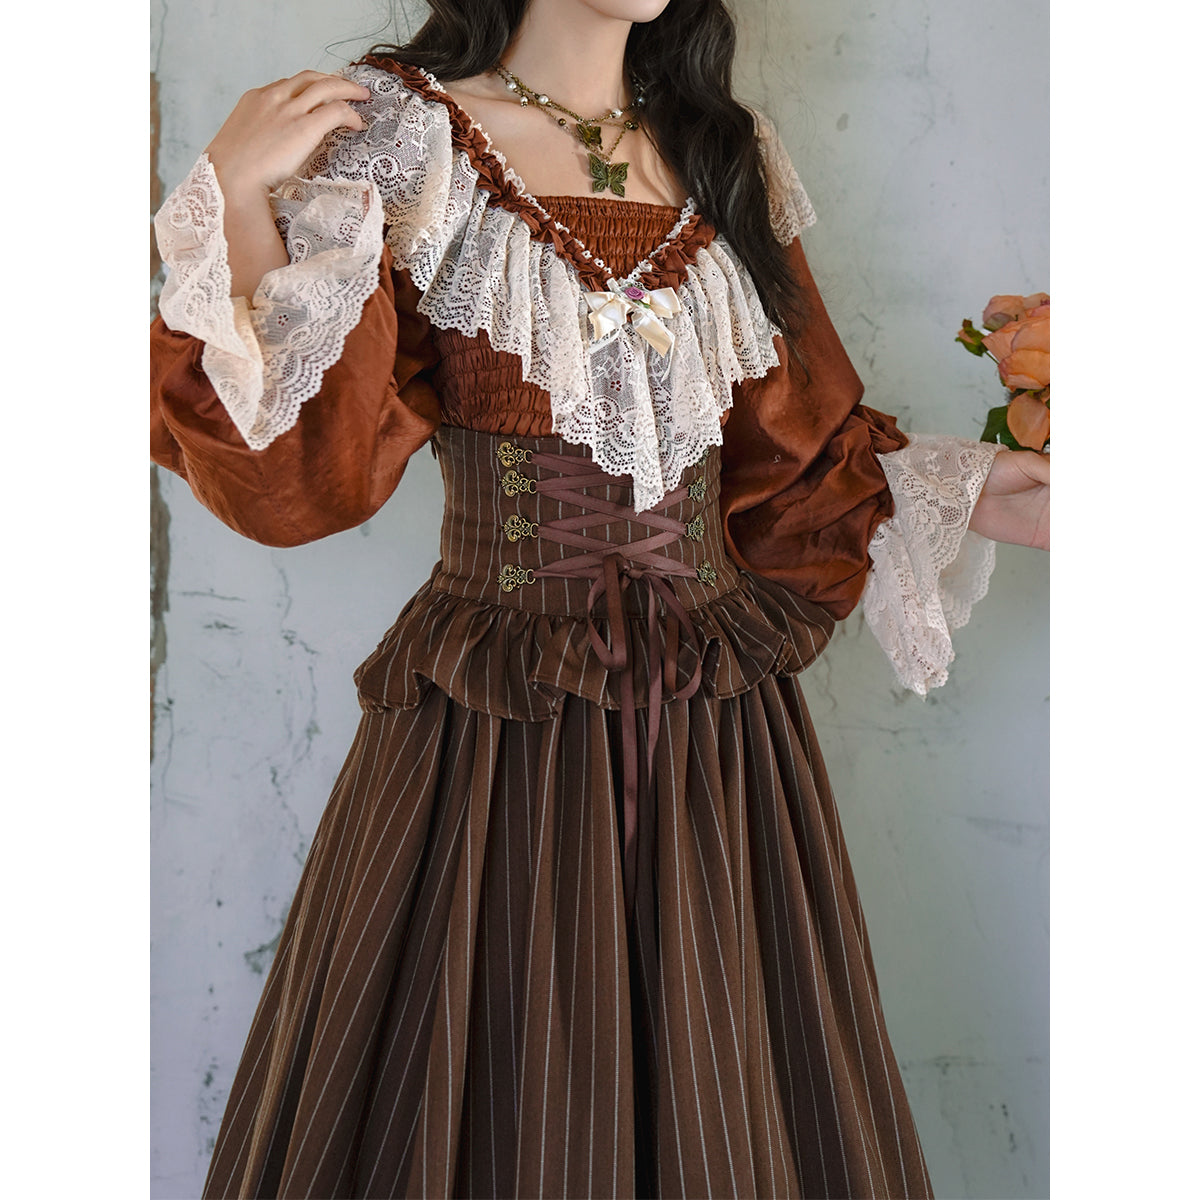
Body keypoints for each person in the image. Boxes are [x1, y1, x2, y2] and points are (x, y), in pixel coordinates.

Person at [150, 0, 1049, 1195]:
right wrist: (229, 205)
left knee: (730, 1085)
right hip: (499, 716)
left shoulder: (726, 149)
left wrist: (977, 486)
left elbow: (791, 455)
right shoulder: (399, 136)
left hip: (715, 729)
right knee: (491, 1080)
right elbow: (304, 474)